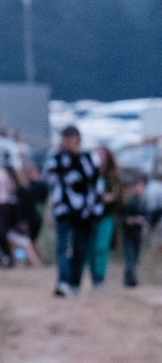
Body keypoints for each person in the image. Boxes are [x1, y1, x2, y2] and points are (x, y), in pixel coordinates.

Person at [46, 126, 100, 297]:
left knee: (80, 248)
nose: (66, 141)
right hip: (63, 209)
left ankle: (75, 282)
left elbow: (95, 184)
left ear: (77, 138)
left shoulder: (89, 158)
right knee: (63, 246)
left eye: (69, 138)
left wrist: (94, 208)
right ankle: (63, 281)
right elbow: (48, 178)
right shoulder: (57, 159)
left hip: (85, 211)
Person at [90, 145, 124, 289]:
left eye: (102, 155)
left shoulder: (113, 176)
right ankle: (94, 277)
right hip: (90, 216)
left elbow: (121, 196)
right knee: (91, 248)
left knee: (101, 247)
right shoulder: (89, 173)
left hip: (106, 215)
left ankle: (100, 278)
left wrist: (111, 198)